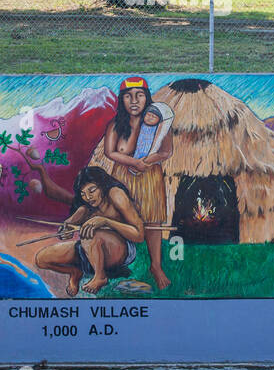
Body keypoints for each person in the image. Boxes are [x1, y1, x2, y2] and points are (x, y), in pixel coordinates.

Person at [100, 77, 173, 290]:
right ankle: (114, 263)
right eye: (128, 96)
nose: (134, 101)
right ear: (121, 100)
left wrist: (146, 162)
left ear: (147, 98)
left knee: (152, 221)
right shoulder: (115, 125)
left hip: (149, 176)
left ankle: (156, 266)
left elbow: (167, 151)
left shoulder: (158, 123)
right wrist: (133, 162)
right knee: (116, 218)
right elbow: (109, 151)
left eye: (139, 95)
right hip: (122, 176)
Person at [31, 165, 145, 297]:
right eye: (83, 194)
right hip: (91, 249)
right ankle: (75, 272)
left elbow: (139, 234)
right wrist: (66, 229)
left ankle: (100, 277)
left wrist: (106, 221)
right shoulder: (85, 208)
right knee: (42, 259)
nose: (88, 197)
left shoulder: (115, 194)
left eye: (92, 190)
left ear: (102, 185)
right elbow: (71, 223)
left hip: (121, 250)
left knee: (90, 234)